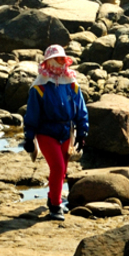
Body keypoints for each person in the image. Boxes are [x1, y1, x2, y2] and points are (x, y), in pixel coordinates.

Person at [23, 44, 89, 221]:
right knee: (58, 167)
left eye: (63, 59)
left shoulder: (71, 83)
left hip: (66, 131)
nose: (61, 62)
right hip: (46, 131)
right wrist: (29, 137)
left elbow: (81, 108)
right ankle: (55, 206)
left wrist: (82, 132)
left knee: (63, 169)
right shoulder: (39, 87)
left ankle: (53, 197)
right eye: (57, 59)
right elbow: (32, 113)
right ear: (49, 61)